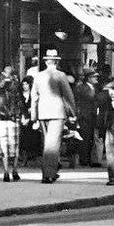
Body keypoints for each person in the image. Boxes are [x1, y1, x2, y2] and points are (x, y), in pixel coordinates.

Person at [31, 50, 75, 184]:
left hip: (43, 113)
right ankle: (48, 174)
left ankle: (49, 172)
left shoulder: (38, 76)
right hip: (57, 112)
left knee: (47, 143)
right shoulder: (60, 75)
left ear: (45, 61)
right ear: (56, 61)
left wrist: (34, 116)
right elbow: (68, 95)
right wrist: (73, 113)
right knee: (53, 144)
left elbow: (34, 97)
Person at [0, 65, 25, 182]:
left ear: (3, 73)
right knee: (15, 146)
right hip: (14, 119)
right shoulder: (17, 85)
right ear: (13, 74)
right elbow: (21, 102)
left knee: (4, 146)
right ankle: (15, 171)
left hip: (1, 119)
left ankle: (5, 172)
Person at [73, 69, 98, 167]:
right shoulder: (82, 88)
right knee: (85, 138)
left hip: (93, 116)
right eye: (94, 77)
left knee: (92, 138)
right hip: (85, 116)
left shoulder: (95, 88)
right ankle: (84, 159)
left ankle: (89, 158)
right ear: (88, 78)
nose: (96, 79)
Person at [91, 76, 112, 167]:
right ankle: (111, 159)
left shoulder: (99, 95)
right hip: (111, 119)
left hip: (100, 119)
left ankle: (97, 160)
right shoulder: (113, 95)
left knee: (98, 140)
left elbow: (95, 108)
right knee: (110, 140)